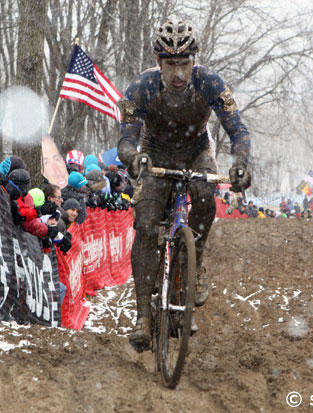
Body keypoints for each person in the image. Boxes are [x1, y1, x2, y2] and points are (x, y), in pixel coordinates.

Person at [117, 20, 251, 352]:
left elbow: (238, 129)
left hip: (196, 152)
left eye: (184, 64)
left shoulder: (210, 82)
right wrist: (134, 159)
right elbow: (126, 140)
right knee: (146, 224)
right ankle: (143, 316)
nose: (178, 73)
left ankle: (196, 260)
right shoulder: (141, 87)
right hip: (155, 154)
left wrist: (241, 163)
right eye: (171, 64)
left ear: (194, 61)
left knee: (205, 197)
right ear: (159, 62)